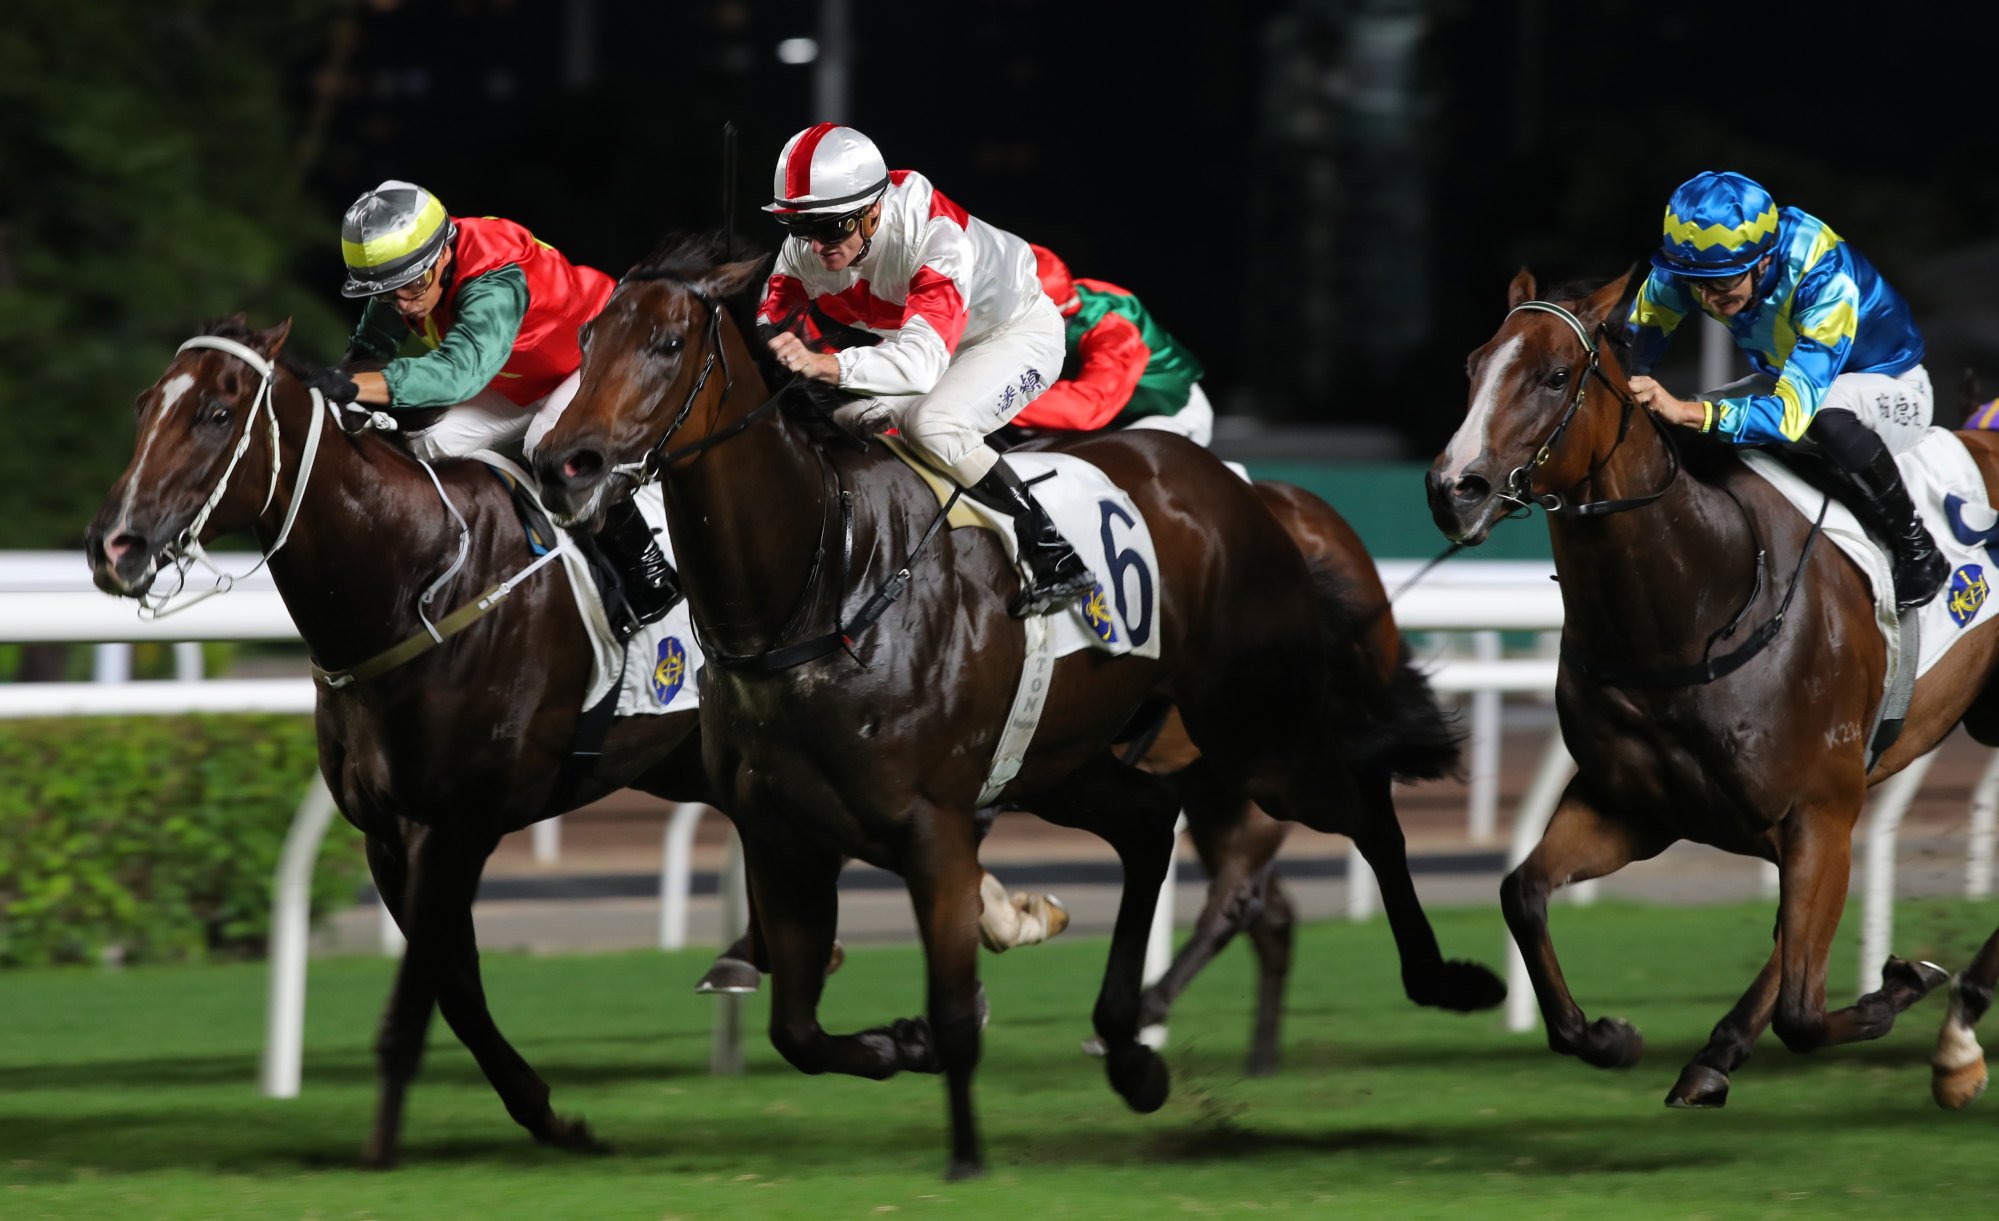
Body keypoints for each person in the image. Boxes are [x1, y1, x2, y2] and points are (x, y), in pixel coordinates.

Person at [305, 180, 679, 636]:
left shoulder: (494, 274)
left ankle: (647, 573)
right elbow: (372, 347)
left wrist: (355, 385)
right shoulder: (406, 273)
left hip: (597, 359)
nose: (403, 301)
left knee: (549, 446)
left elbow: (459, 374)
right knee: (431, 443)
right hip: (521, 372)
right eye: (387, 292)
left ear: (444, 252)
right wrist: (338, 383)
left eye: (413, 284)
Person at [756, 124, 1095, 618]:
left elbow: (920, 365)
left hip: (1013, 334)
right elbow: (771, 316)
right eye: (801, 228)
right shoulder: (814, 243)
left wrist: (824, 363)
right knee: (846, 419)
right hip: (929, 340)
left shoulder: (936, 237)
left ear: (874, 211)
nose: (816, 247)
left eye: (832, 229)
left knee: (932, 426)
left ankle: (1054, 553)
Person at [1624, 170, 1947, 611]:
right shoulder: (1697, 265)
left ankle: (1917, 546)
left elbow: (1790, 417)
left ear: (1762, 260)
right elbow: (1637, 341)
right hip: (1794, 380)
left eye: (1722, 282)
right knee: (1680, 426)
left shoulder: (1824, 279)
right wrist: (1632, 389)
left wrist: (1684, 411)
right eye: (1695, 282)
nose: (1707, 297)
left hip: (1893, 389)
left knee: (1820, 415)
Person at [1009, 244, 1213, 445]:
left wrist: (993, 401)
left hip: (1166, 412)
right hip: (1095, 416)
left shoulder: (1114, 331)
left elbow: (1085, 409)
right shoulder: (1053, 301)